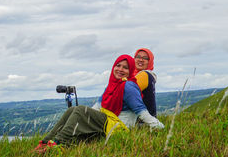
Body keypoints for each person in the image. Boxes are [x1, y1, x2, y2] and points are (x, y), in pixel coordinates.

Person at [33, 55, 164, 153]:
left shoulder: (129, 86)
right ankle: (44, 142)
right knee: (73, 110)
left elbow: (141, 111)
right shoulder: (113, 85)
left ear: (130, 71)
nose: (120, 69)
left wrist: (160, 127)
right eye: (118, 66)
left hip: (118, 127)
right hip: (108, 121)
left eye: (125, 67)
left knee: (79, 110)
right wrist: (83, 116)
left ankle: (56, 145)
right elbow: (98, 106)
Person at [134, 48, 157, 117]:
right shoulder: (133, 75)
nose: (141, 60)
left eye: (145, 58)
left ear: (150, 61)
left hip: (141, 122)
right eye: (138, 57)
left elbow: (125, 93)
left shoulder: (144, 74)